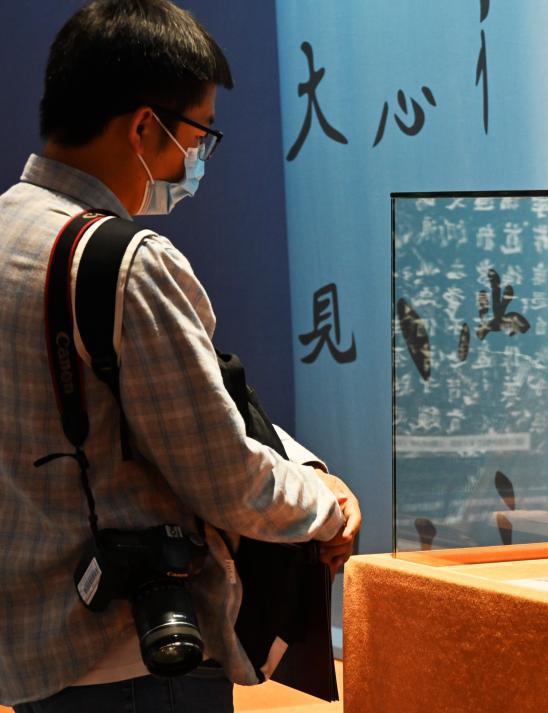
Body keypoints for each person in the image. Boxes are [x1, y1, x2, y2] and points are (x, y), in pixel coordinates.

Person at [0, 1, 361, 710]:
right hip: (134, 655)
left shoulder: (11, 232)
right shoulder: (128, 263)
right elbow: (224, 477)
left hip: (32, 647)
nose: (196, 160)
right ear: (144, 127)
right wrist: (326, 503)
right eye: (198, 136)